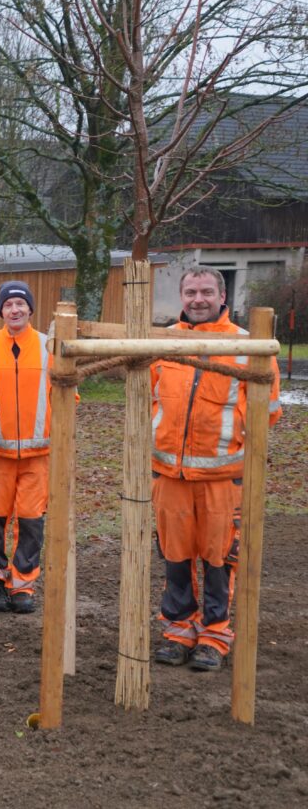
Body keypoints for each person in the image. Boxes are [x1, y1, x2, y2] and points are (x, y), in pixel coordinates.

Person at [151, 266, 281, 671]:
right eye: (190, 292)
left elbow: (269, 409)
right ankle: (177, 631)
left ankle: (214, 634)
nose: (198, 299)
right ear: (181, 297)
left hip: (223, 478)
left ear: (223, 297)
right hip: (170, 474)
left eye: (206, 291)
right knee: (175, 556)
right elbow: (147, 396)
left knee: (219, 558)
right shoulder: (164, 342)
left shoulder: (247, 345)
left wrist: (234, 428)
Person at [0, 281, 51, 615]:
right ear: (1, 311)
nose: (15, 310)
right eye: (8, 305)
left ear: (30, 309)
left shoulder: (50, 347)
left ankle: (23, 584)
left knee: (31, 521)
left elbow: (67, 398)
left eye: (21, 304)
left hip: (38, 457)